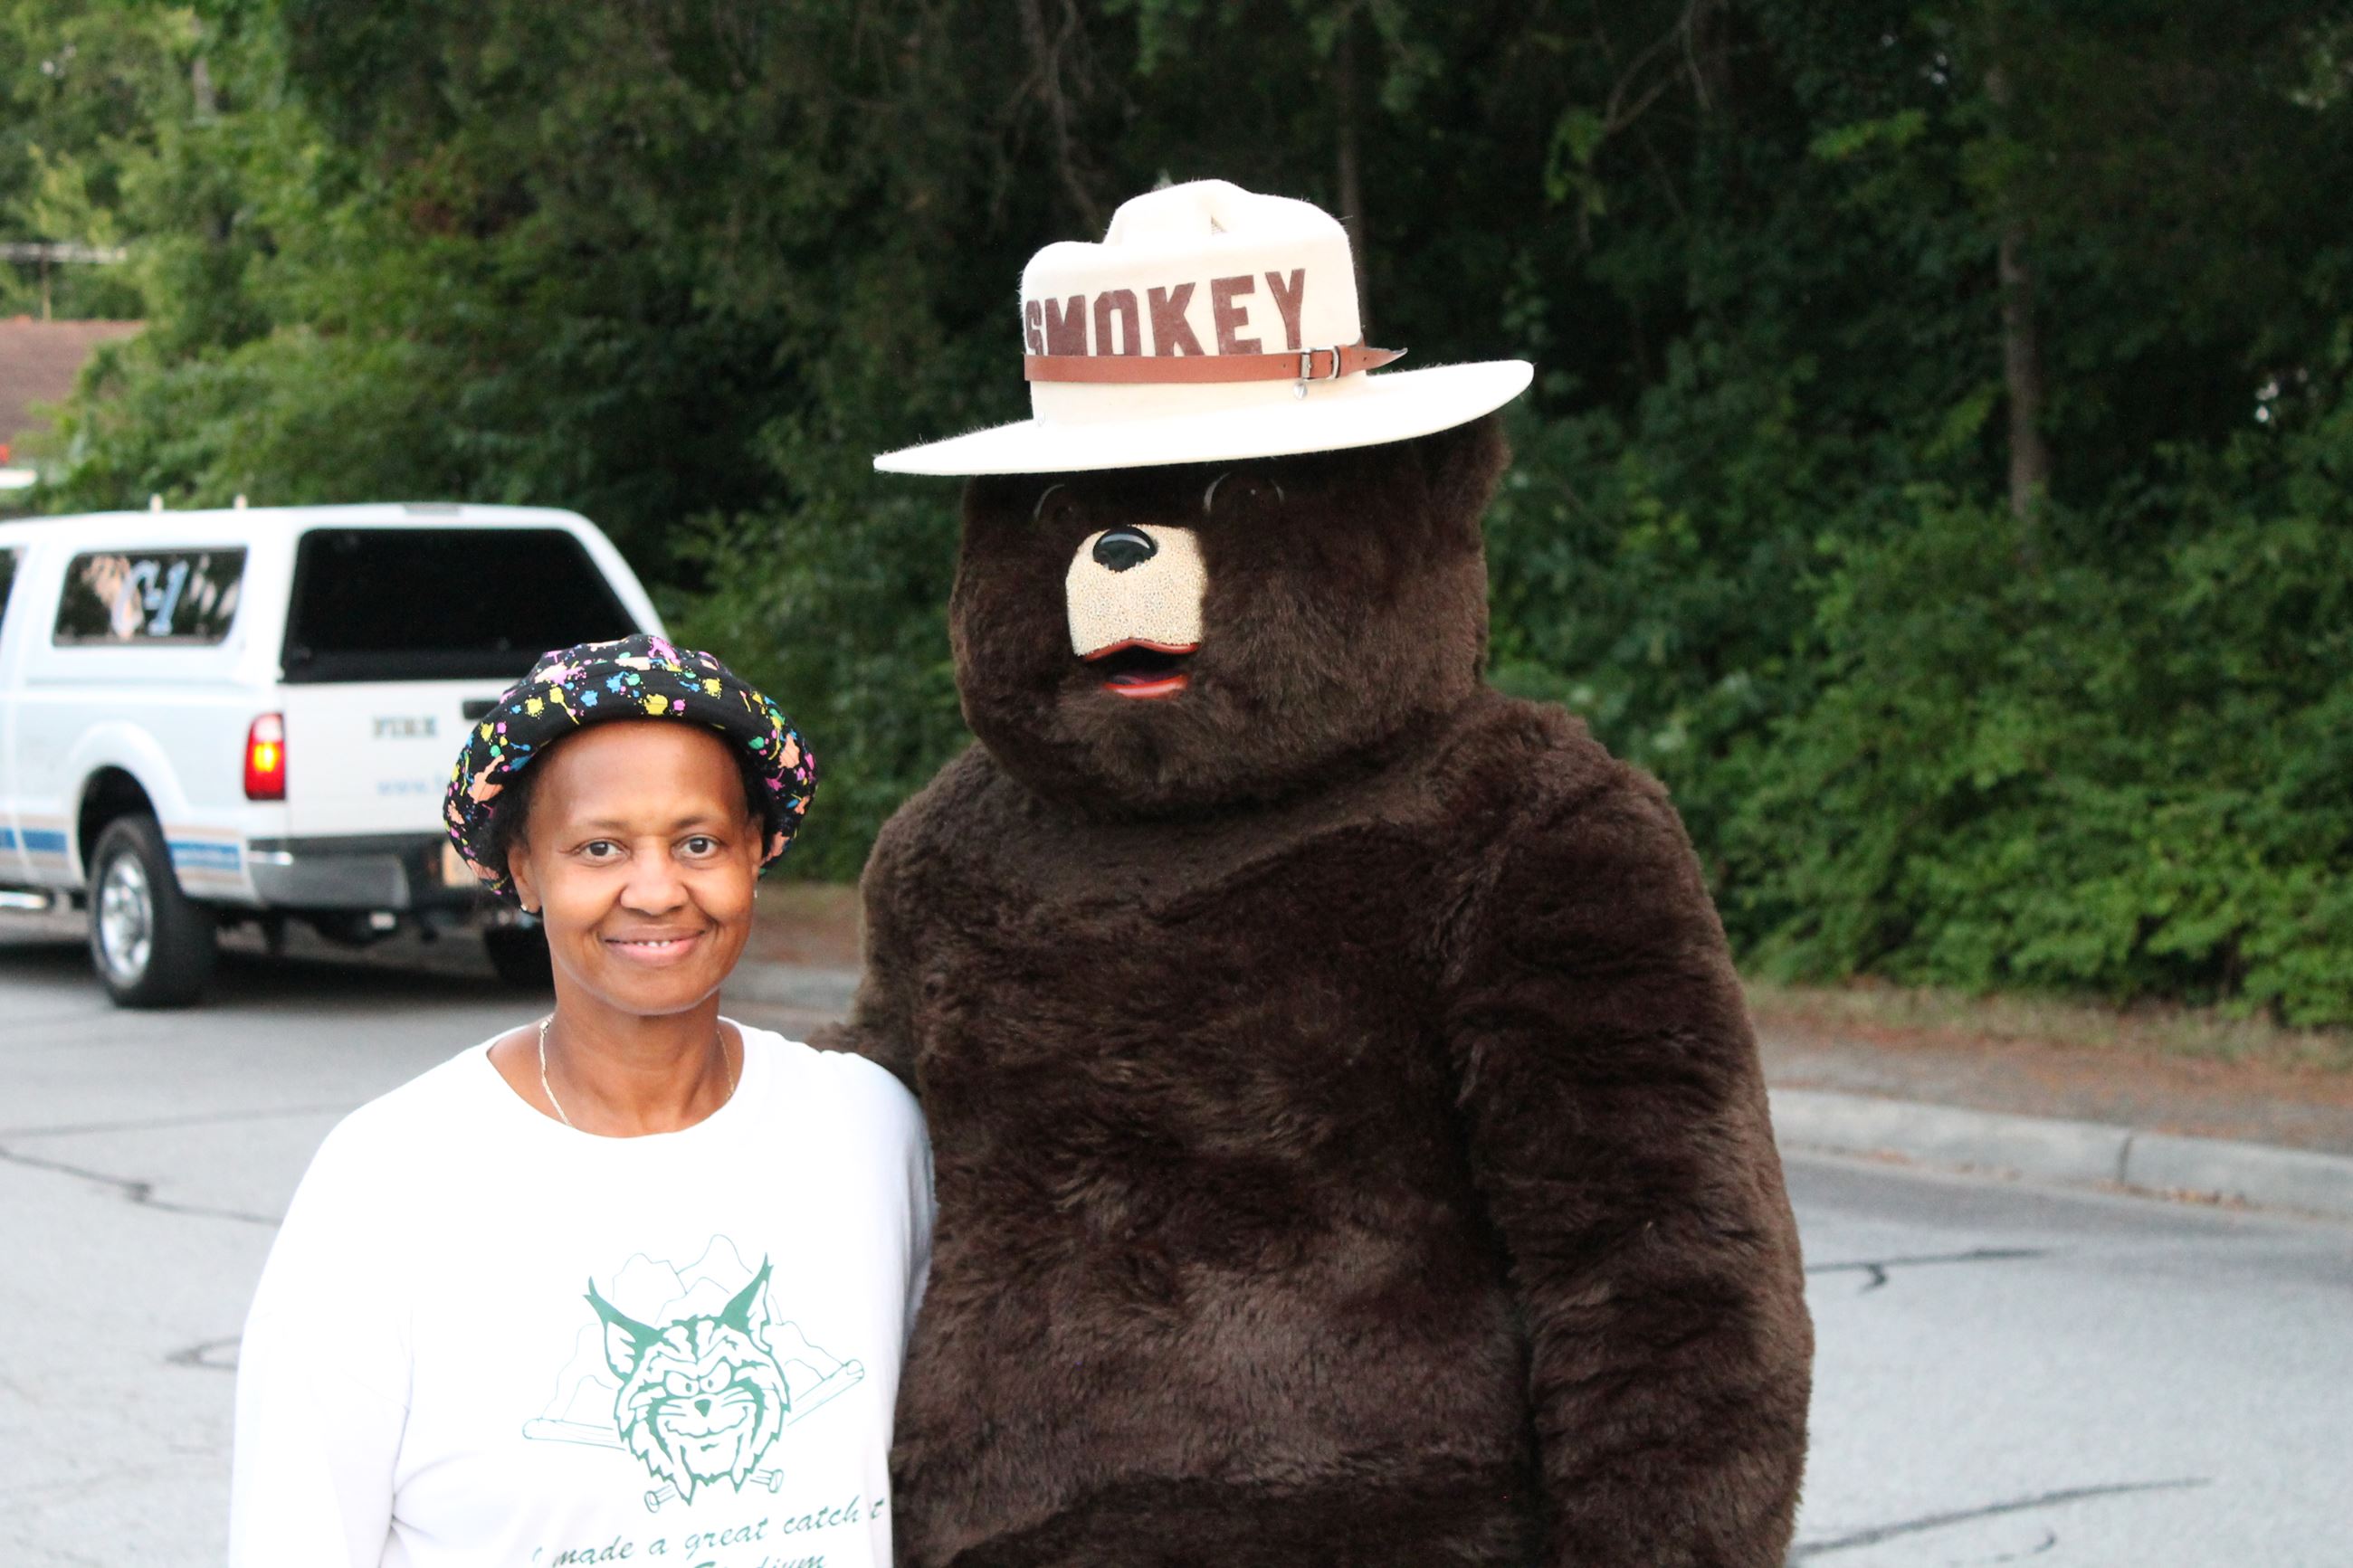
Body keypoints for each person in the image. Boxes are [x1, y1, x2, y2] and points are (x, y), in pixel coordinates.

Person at [230, 634, 930, 1568]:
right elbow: (297, 1533)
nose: (654, 889)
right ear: (521, 870)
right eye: (599, 847)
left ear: (757, 850)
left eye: (697, 842)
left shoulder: (871, 1130)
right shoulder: (388, 1179)